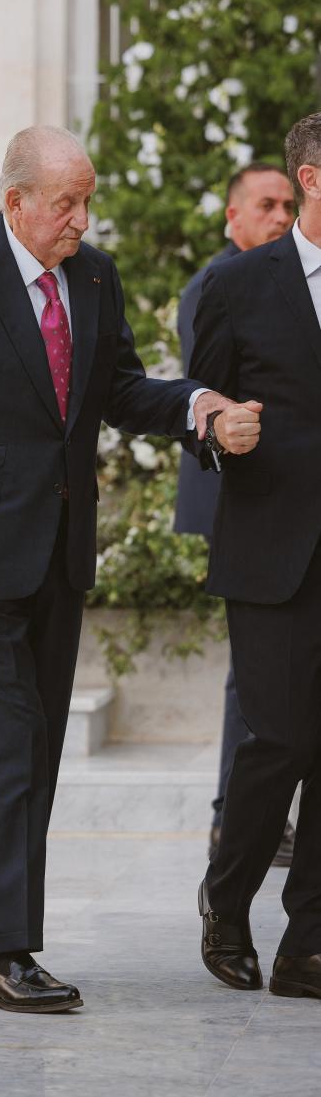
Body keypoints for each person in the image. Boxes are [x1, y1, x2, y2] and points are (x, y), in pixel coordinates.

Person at [0, 126, 250, 1014]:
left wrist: (198, 404)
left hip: (61, 553)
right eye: (65, 204)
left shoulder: (93, 275)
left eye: (87, 201)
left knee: (34, 754)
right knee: (9, 750)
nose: (82, 219)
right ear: (16, 202)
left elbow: (118, 390)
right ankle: (6, 954)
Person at [191, 112, 321, 1000]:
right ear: (313, 178)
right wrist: (219, 432)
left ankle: (308, 940)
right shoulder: (238, 284)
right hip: (274, 548)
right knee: (274, 741)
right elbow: (201, 407)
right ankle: (228, 903)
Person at [174, 163, 297, 866]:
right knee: (246, 669)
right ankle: (233, 815)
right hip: (236, 495)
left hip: (275, 499)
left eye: (287, 204)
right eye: (265, 205)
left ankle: (248, 814)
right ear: (232, 216)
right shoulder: (218, 285)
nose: (279, 217)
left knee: (255, 669)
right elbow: (209, 393)